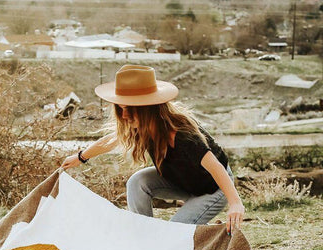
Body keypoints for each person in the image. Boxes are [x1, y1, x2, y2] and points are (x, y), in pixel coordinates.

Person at [61, 64, 245, 235]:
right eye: (121, 108)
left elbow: (216, 167)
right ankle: (143, 236)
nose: (124, 115)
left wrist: (235, 203)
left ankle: (211, 234)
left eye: (130, 109)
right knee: (137, 182)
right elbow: (111, 140)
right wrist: (80, 157)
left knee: (171, 234)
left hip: (214, 188)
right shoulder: (140, 125)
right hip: (182, 182)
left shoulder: (181, 132)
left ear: (148, 108)